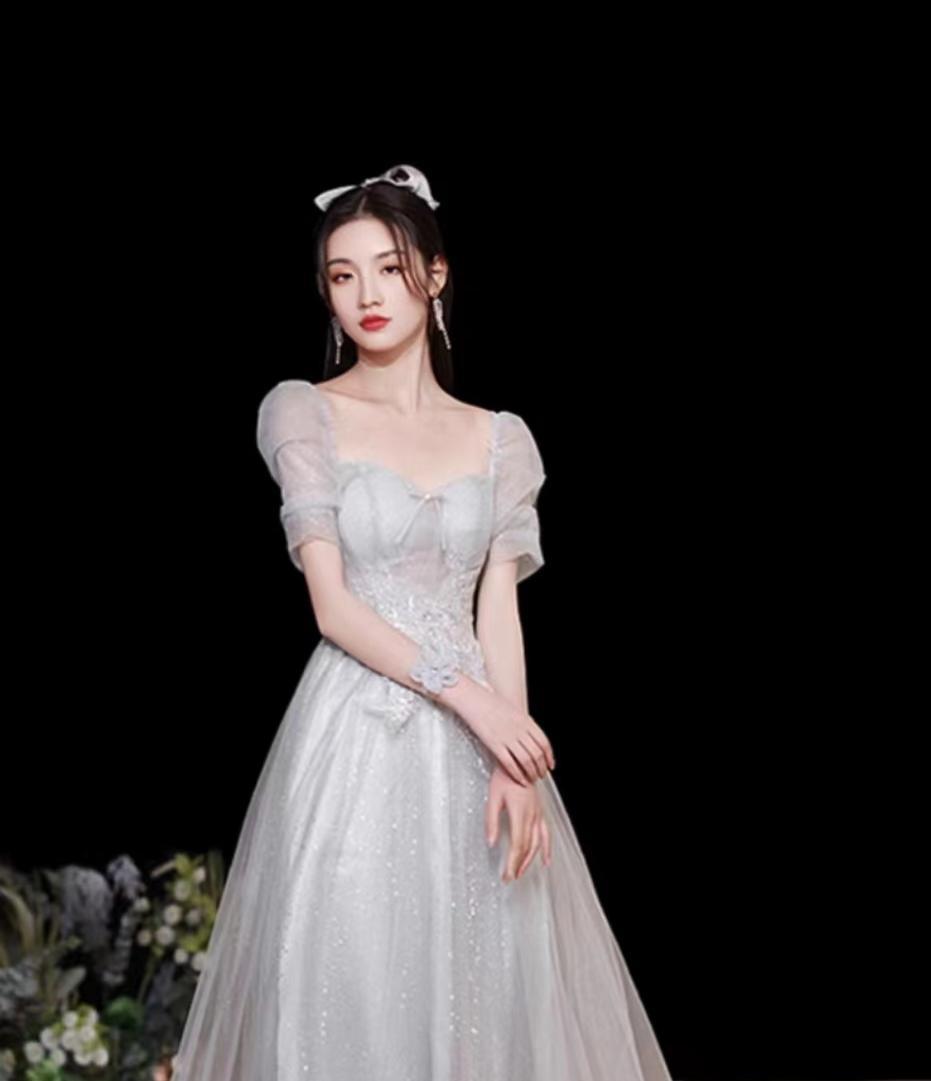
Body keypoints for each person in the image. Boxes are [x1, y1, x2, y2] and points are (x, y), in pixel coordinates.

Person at [172, 165, 673, 1080]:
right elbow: (333, 607)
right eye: (342, 274)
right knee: (354, 977)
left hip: (476, 747)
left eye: (389, 268)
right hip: (359, 733)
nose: (366, 294)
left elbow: (498, 608)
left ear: (434, 275)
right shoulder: (303, 411)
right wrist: (473, 702)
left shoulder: (501, 437)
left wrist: (514, 756)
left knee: (490, 991)